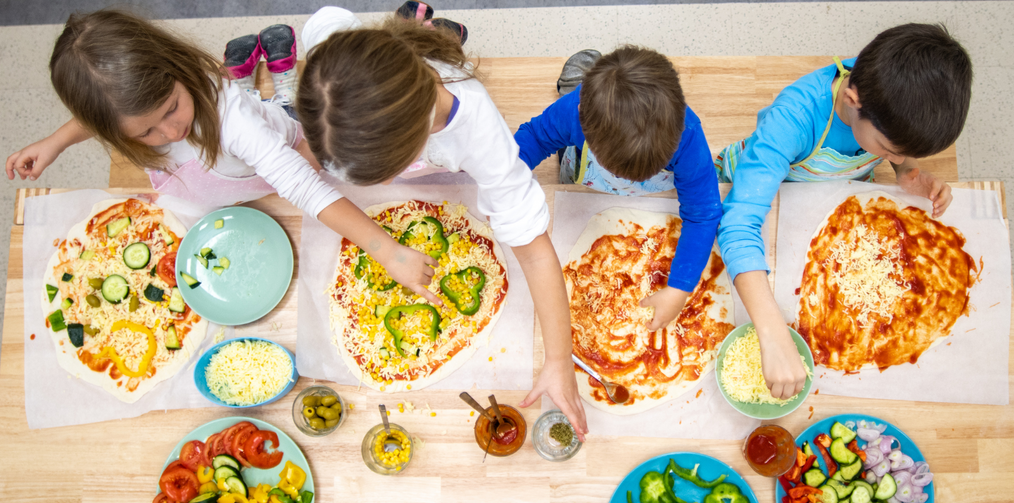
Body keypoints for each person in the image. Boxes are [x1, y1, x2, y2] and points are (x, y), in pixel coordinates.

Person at [4, 9, 437, 302]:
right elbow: (99, 117)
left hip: (275, 155)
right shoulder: (128, 112)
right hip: (213, 187)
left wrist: (388, 252)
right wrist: (56, 141)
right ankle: (268, 80)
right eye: (145, 133)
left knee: (310, 145)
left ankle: (282, 92)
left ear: (178, 68)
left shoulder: (232, 120)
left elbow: (303, 186)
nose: (171, 131)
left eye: (172, 108)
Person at [297, 6, 589, 438]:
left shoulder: (481, 137)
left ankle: (429, 33)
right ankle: (418, 27)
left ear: (413, 147)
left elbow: (536, 252)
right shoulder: (334, 53)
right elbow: (323, 22)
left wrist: (559, 361)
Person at [715, 23, 972, 400]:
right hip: (762, 188)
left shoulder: (884, 98)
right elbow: (738, 222)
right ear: (852, 102)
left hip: (833, 194)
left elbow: (894, 144)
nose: (896, 157)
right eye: (889, 148)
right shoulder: (793, 119)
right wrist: (771, 332)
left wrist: (907, 171)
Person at [514, 46, 723, 329]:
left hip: (654, 193)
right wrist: (508, 182)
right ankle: (580, 81)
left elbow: (703, 214)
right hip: (588, 178)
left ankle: (590, 76)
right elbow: (535, 138)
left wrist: (679, 288)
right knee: (566, 122)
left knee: (594, 90)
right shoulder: (574, 114)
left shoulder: (687, 136)